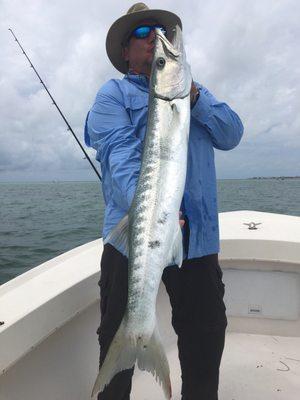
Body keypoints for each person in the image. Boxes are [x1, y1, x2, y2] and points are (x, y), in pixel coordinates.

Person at [84, 3, 244, 400]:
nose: (156, 36)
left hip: (199, 239)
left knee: (205, 336)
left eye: (160, 29)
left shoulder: (192, 95)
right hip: (131, 239)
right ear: (125, 51)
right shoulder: (112, 95)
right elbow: (119, 159)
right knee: (114, 339)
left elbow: (231, 133)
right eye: (142, 33)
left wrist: (193, 97)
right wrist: (156, 212)